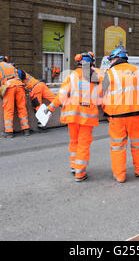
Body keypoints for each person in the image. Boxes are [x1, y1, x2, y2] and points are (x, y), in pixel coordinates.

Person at [45, 52, 102, 182]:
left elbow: (61, 95)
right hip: (87, 117)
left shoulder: (72, 76)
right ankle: (80, 173)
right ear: (92, 64)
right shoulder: (96, 78)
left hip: (72, 115)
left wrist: (50, 108)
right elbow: (101, 97)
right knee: (83, 144)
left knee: (74, 141)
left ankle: (74, 166)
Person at [102, 47, 139, 183]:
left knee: (117, 146)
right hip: (136, 113)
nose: (110, 62)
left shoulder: (110, 73)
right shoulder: (138, 71)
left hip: (117, 115)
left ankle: (119, 175)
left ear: (116, 58)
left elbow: (102, 94)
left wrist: (106, 110)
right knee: (138, 144)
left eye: (111, 59)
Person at [0, 56, 31, 138]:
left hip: (9, 88)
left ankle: (9, 132)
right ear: (5, 60)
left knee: (9, 109)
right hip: (20, 86)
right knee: (22, 108)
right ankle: (26, 130)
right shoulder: (11, 66)